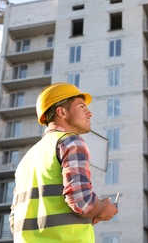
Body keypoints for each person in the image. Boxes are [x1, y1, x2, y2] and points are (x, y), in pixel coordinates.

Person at [9, 83, 118, 242]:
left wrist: (90, 215)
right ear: (61, 112)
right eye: (82, 106)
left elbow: (14, 221)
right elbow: (81, 202)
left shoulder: (26, 160)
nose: (90, 113)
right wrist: (103, 208)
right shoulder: (70, 142)